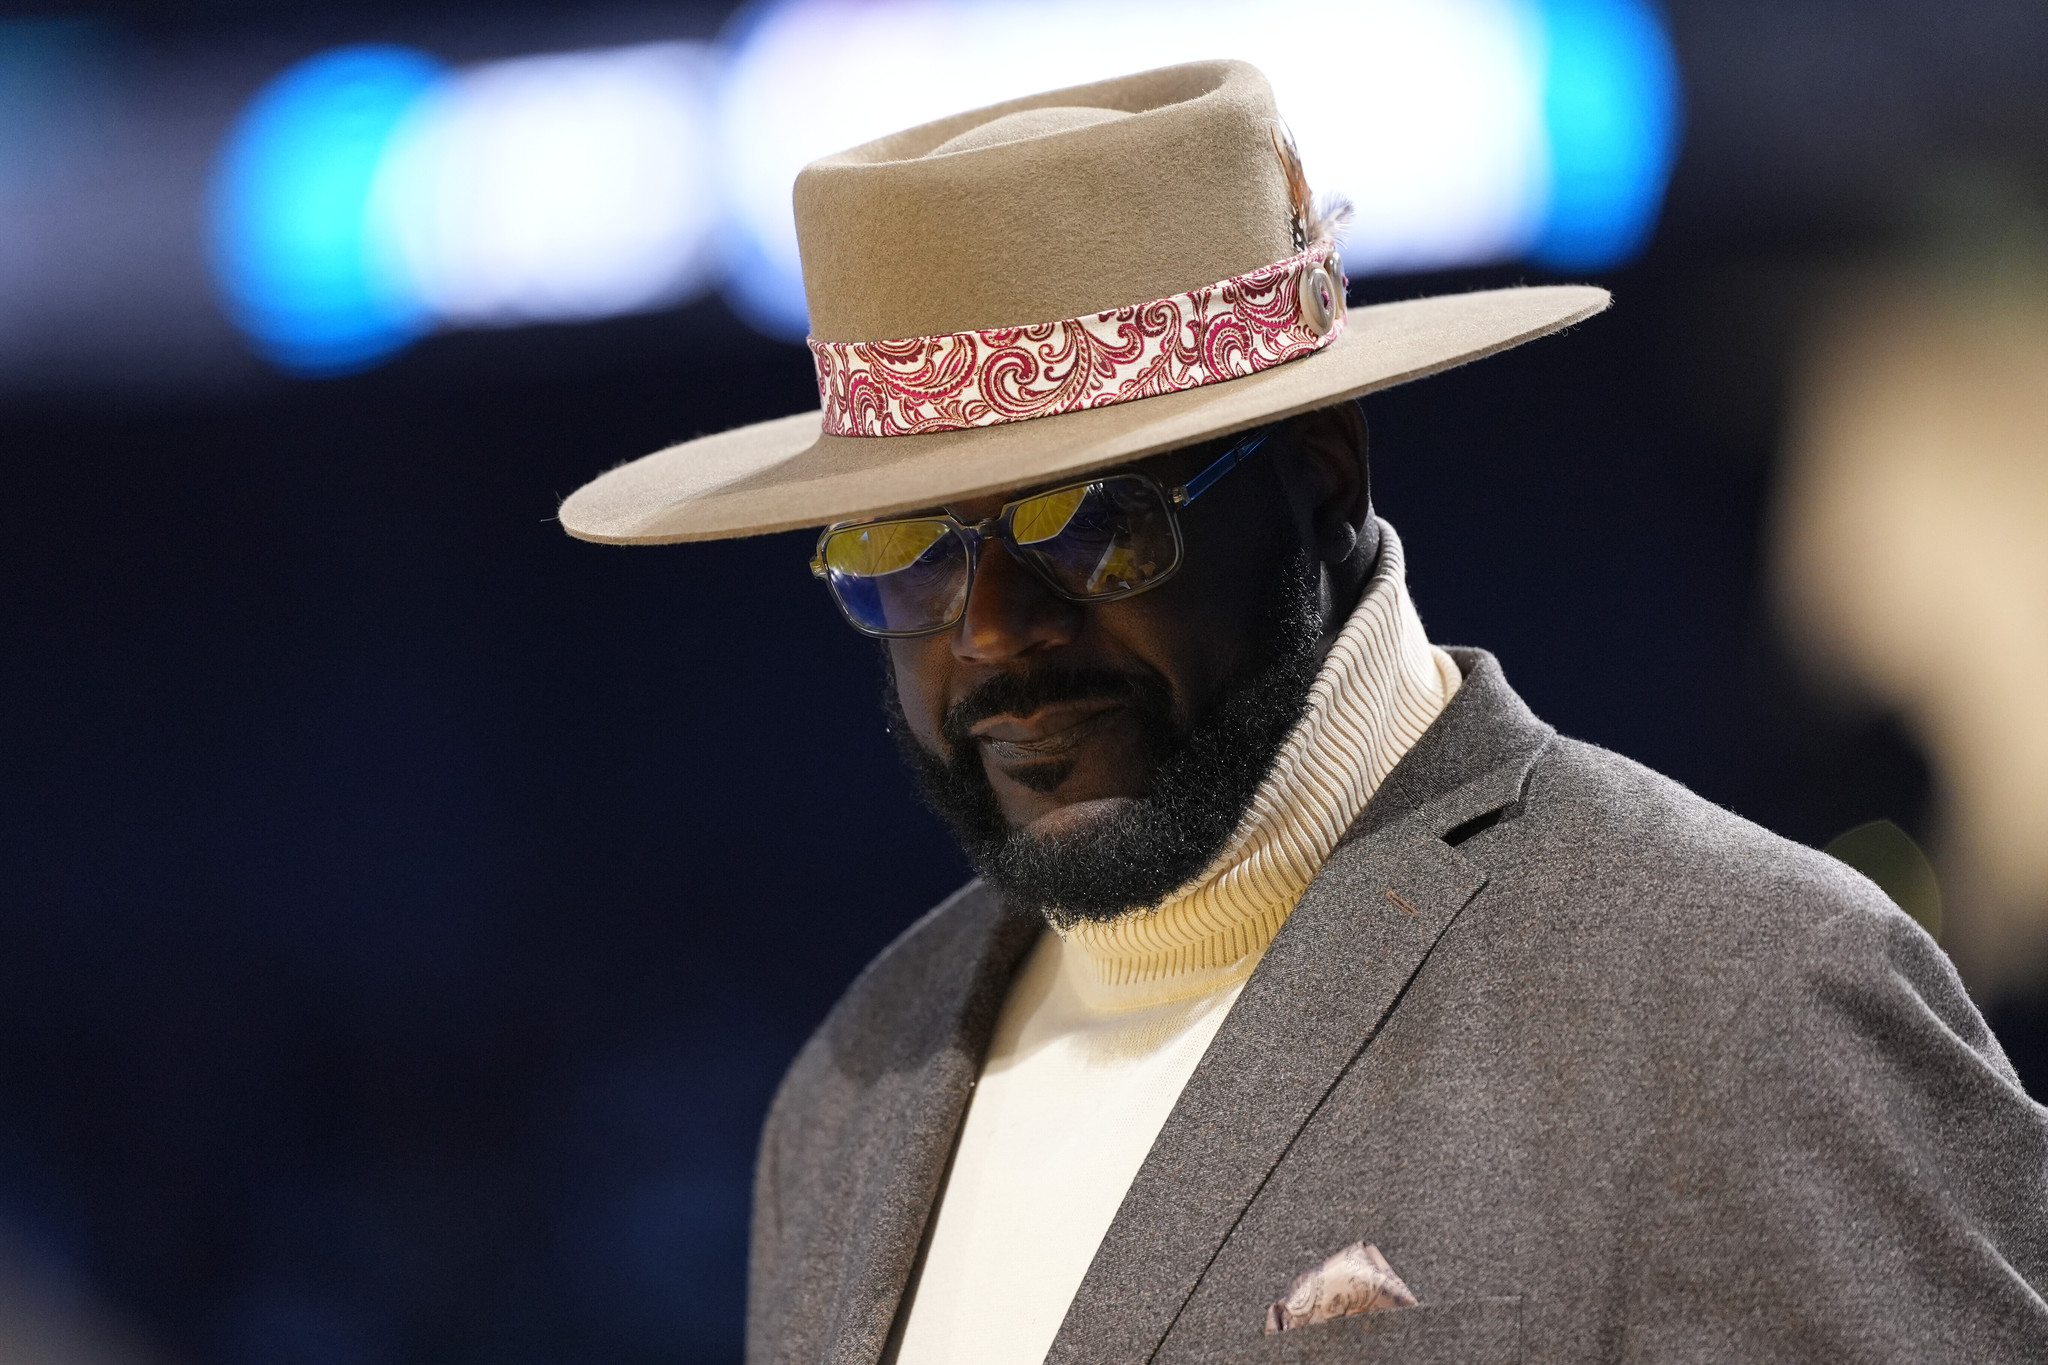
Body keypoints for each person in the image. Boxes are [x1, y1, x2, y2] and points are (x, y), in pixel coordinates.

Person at [561, 60, 2048, 1365]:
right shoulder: (850, 1092)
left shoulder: (1737, 995)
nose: (1000, 631)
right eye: (904, 557)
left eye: (1091, 523)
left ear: (1325, 476)